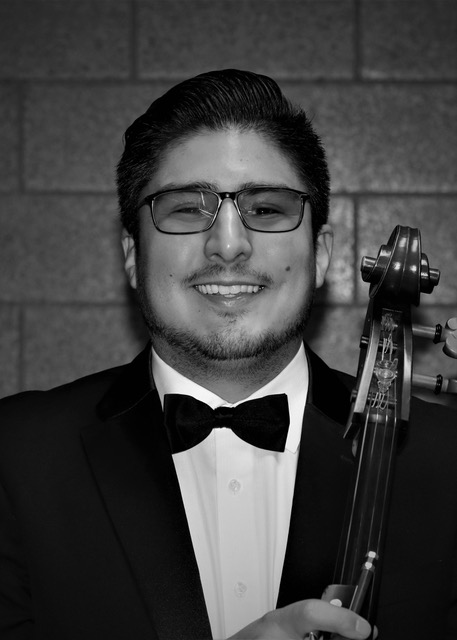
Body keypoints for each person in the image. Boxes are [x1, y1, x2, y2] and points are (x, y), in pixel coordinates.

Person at [0, 69, 456, 640]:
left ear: (321, 256)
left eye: (266, 210)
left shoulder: (447, 462)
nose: (229, 245)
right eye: (188, 210)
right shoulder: (15, 456)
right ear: (131, 256)